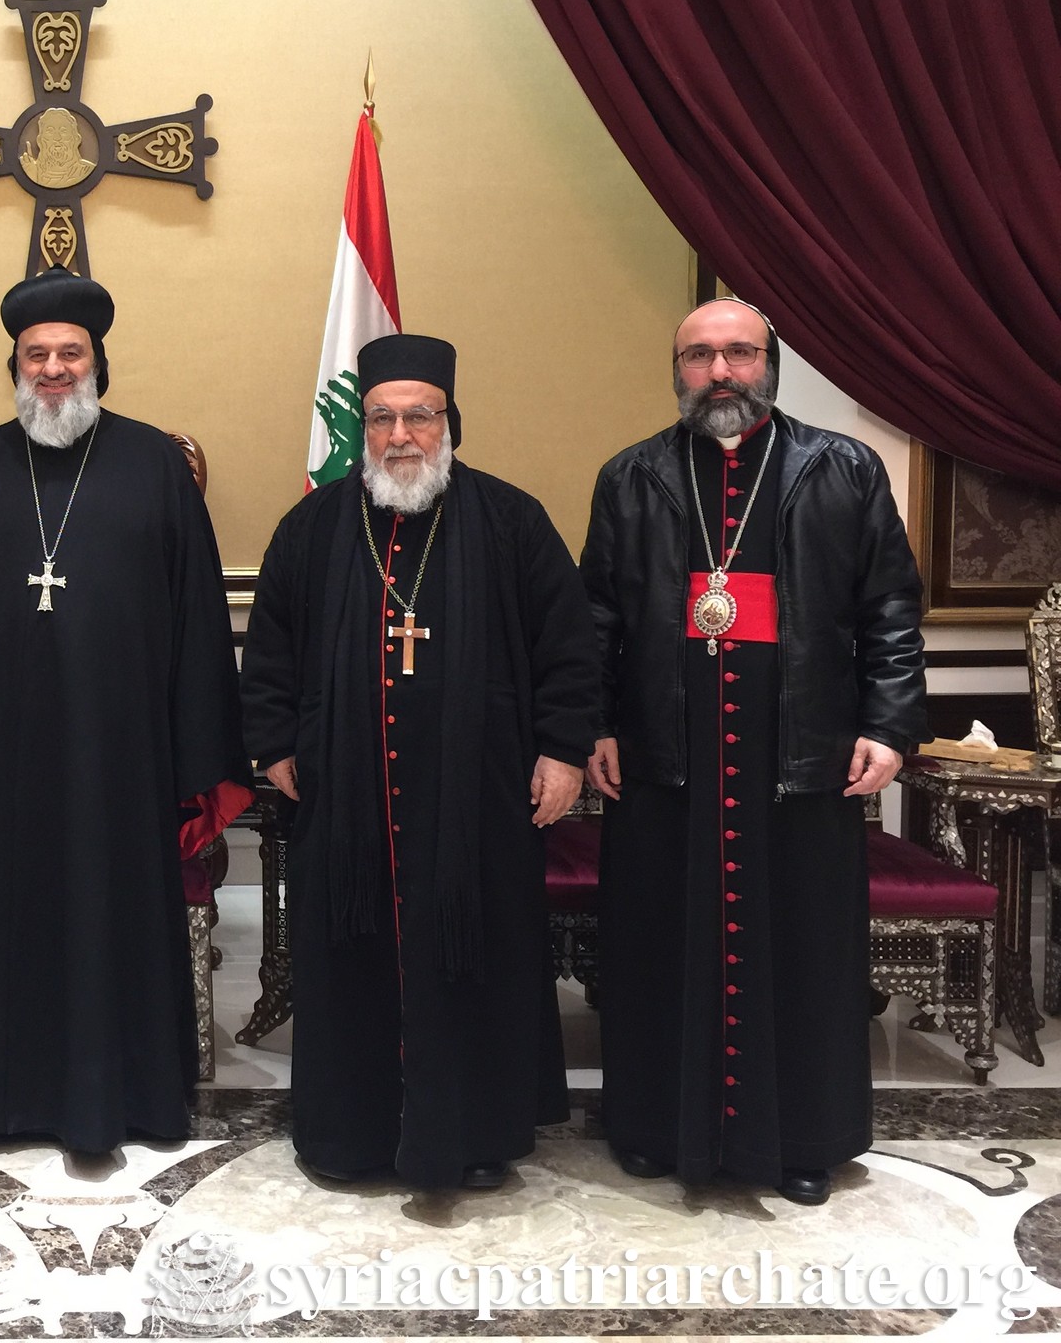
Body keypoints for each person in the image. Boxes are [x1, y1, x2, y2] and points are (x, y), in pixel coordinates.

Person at [581, 298, 925, 1206]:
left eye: (739, 353)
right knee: (659, 944)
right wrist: (595, 727)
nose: (721, 371)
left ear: (768, 363)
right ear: (677, 369)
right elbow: (598, 620)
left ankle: (806, 1138)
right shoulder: (634, 476)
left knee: (804, 949)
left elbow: (891, 608)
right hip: (666, 754)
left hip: (800, 752)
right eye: (700, 356)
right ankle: (653, 1128)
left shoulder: (841, 467)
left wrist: (889, 727)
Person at [0, 269, 247, 1155]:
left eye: (70, 354)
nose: (53, 369)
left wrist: (191, 747)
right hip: (3, 751)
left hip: (124, 751)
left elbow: (199, 615)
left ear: (98, 364)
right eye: (36, 355)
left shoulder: (155, 467)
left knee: (116, 916)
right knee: (8, 917)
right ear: (14, 366)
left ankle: (125, 1101)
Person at [242, 333, 596, 1189]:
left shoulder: (512, 520)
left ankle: (474, 1137)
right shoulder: (315, 526)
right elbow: (272, 645)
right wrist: (275, 741)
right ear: (362, 429)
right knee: (351, 953)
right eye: (383, 418)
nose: (401, 434)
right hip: (344, 788)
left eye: (420, 417)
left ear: (452, 424)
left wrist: (563, 751)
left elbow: (570, 648)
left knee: (473, 953)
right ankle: (350, 1136)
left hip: (480, 793)